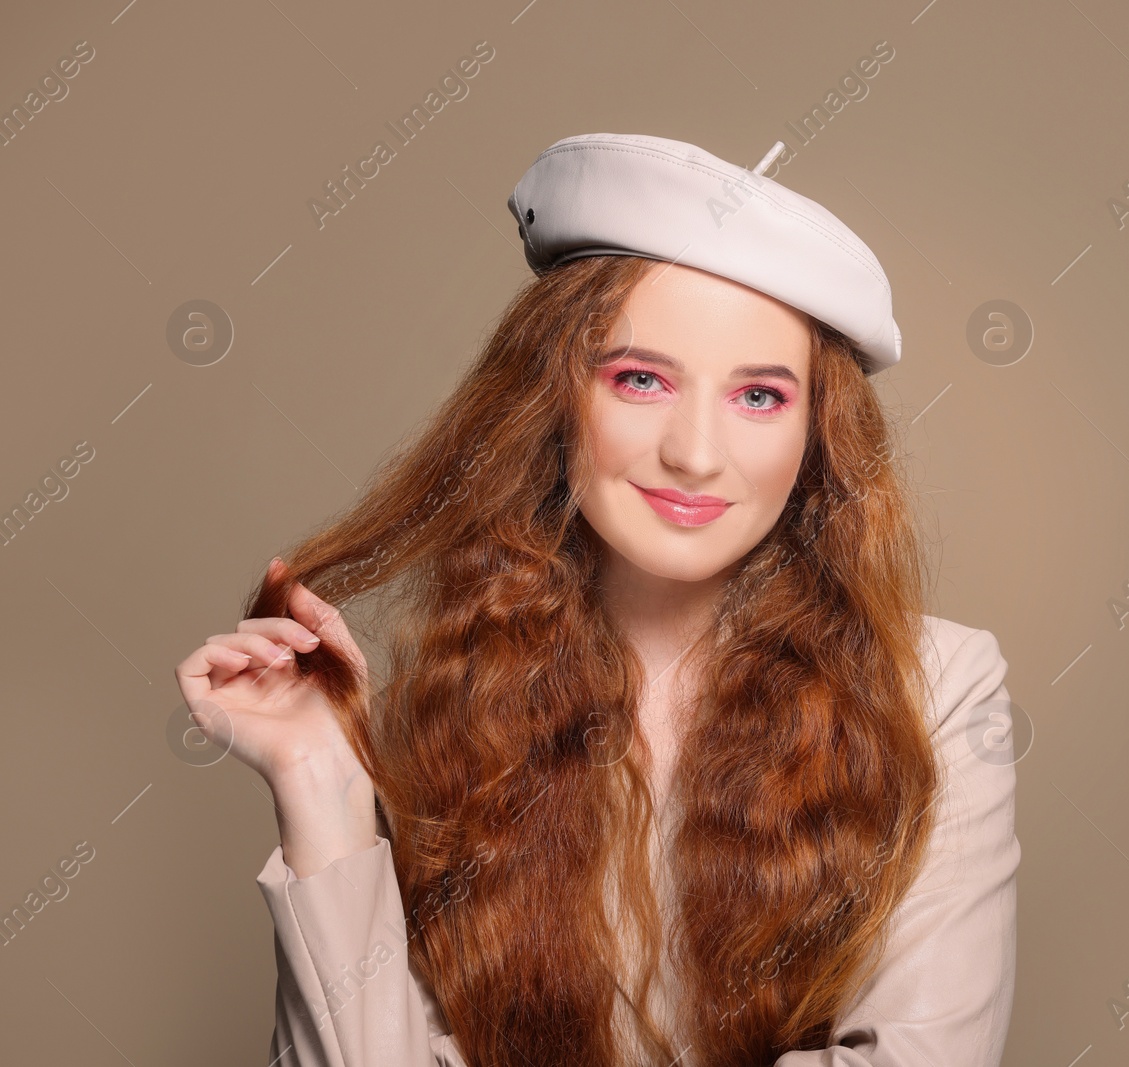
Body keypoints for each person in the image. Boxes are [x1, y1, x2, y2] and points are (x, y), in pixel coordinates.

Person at [174, 133, 1020, 1067]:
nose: (695, 453)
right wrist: (319, 780)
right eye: (641, 379)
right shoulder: (458, 686)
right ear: (553, 397)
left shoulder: (937, 689)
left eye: (760, 397)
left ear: (819, 435)